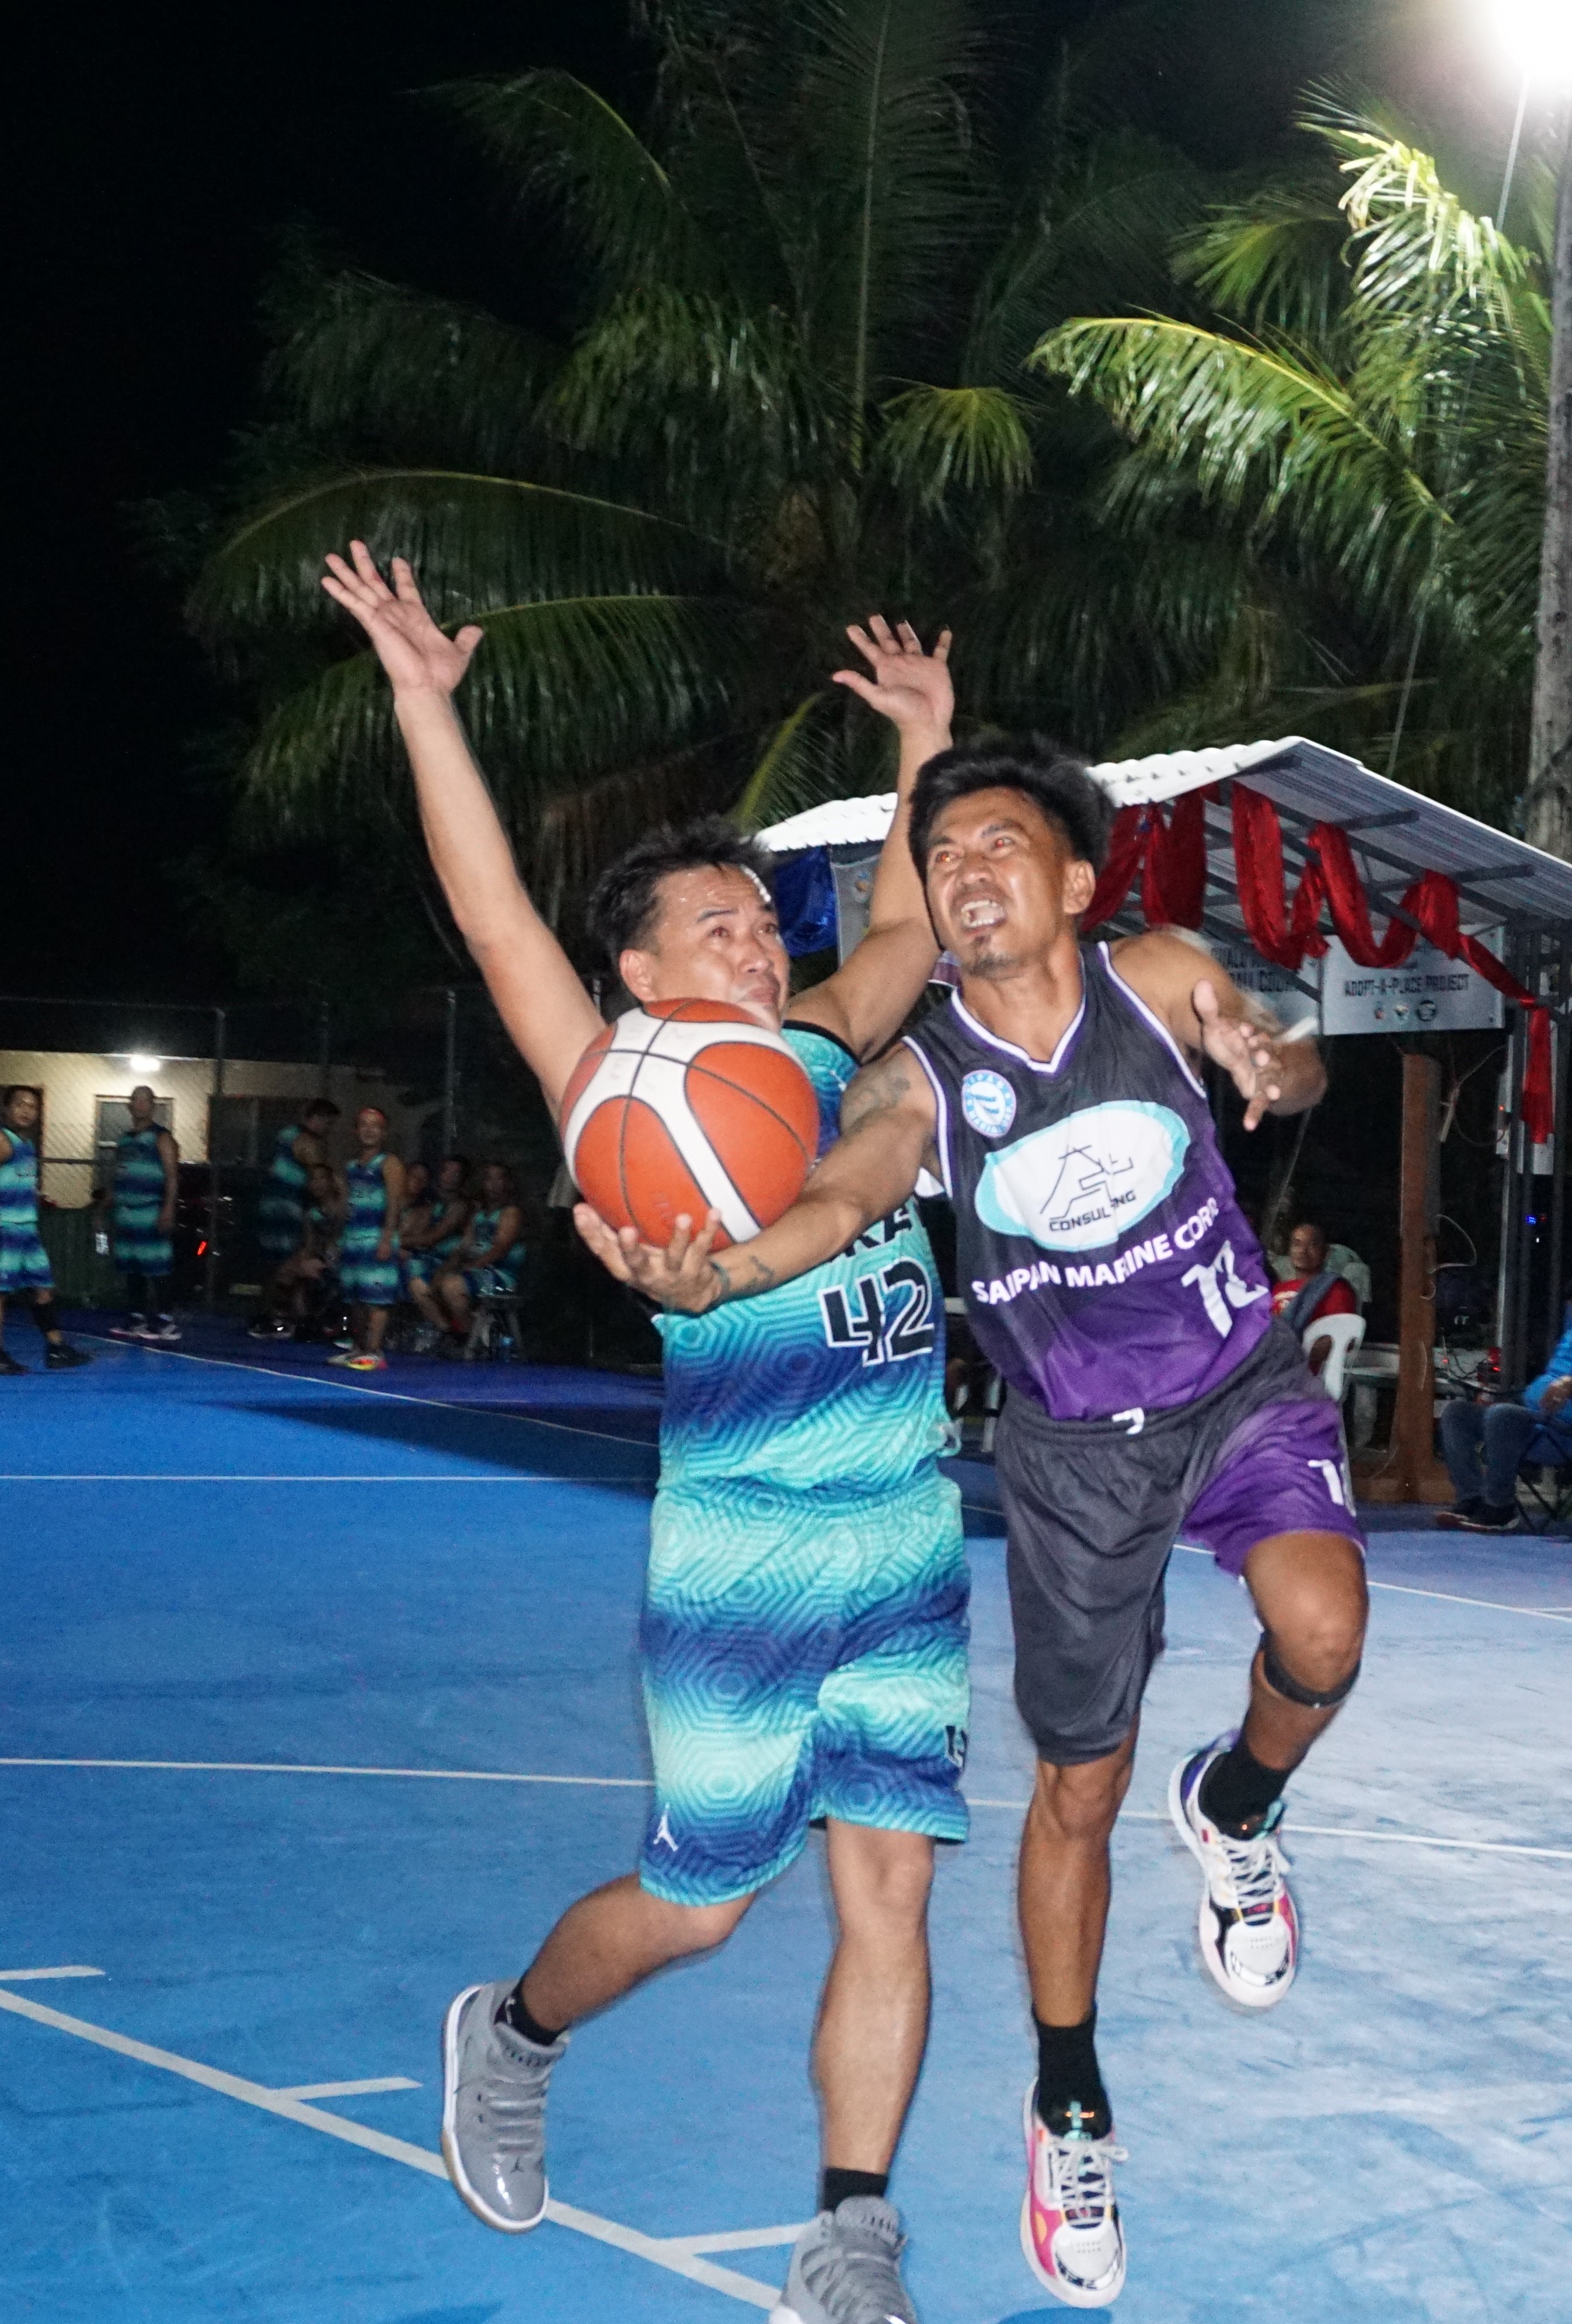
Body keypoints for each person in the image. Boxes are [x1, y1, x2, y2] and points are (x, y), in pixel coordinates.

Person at [593, 738, 1368, 2309]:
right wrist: (724, 1270)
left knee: (1323, 1623)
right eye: (940, 854)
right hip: (1074, 1457)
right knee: (1073, 1793)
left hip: (1233, 1381)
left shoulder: (1151, 974)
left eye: (998, 843)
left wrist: (1281, 1060)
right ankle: (1067, 2095)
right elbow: (840, 1195)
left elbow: (1275, 1040)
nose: (965, 872)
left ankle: (1236, 1804)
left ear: (1076, 882)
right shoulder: (921, 1072)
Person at [323, 539, 965, 2324]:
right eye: (718, 923)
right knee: (702, 1909)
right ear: (637, 966)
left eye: (763, 917)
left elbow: (903, 925)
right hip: (747, 1536)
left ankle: (849, 2237)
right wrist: (423, 706)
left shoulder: (830, 1039)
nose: (760, 939)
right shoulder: (607, 1073)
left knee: (892, 1897)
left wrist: (922, 740)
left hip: (901, 1524)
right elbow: (490, 919)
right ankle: (513, 2031)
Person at [1438, 1265, 1572, 1532]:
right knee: (1457, 1413)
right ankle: (1471, 1499)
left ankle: (1500, 1508)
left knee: (1502, 1415)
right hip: (1535, 1421)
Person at [0, 1087, 92, 1374]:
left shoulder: (26, 1144)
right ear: (6, 1109)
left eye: (33, 1106)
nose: (27, 1110)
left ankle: (56, 1348)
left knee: (43, 1289)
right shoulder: (4, 1141)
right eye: (20, 1105)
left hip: (27, 1228)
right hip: (5, 1227)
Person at [252, 1098, 340, 1336]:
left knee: (280, 1264)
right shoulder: (305, 1141)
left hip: (275, 1204)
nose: (328, 1129)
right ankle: (280, 1317)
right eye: (326, 1122)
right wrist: (339, 1195)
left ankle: (281, 1316)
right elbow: (320, 1174)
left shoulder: (287, 1135)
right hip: (286, 1207)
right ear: (315, 1119)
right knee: (289, 1263)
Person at [332, 1104, 406, 1371]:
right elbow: (346, 1205)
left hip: (376, 1236)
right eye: (364, 1125)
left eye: (375, 1126)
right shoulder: (351, 1167)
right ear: (355, 1130)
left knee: (377, 1296)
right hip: (353, 1237)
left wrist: (387, 1238)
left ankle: (375, 1351)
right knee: (356, 1297)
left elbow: (395, 1203)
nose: (369, 1130)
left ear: (384, 1133)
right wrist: (338, 1238)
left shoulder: (389, 1163)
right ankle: (358, 1347)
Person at [107, 1085, 180, 1343]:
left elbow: (172, 1176)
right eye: (135, 1100)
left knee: (157, 1267)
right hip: (126, 1213)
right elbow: (118, 1175)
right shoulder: (125, 1140)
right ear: (129, 1106)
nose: (139, 1105)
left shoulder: (162, 1138)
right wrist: (105, 1205)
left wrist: (168, 1208)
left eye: (145, 1100)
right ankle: (137, 1318)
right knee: (132, 1267)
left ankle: (165, 1321)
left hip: (151, 1210)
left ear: (152, 1106)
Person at [427, 1161, 525, 1353]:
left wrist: (470, 1268)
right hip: (476, 1269)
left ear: (508, 1183)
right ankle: (470, 1333)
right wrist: (447, 1268)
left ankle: (473, 1339)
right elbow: (464, 1245)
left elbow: (500, 1249)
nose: (494, 1184)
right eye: (490, 1179)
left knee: (452, 1287)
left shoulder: (510, 1213)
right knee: (434, 1283)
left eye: (499, 1179)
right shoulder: (479, 1214)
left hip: (501, 1273)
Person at [1269, 1219, 1361, 1379]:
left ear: (1326, 1252)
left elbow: (1341, 1337)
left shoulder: (1336, 1289)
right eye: (1297, 1244)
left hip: (1304, 1374)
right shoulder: (1278, 1289)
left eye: (1312, 1245)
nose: (1303, 1251)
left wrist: (1297, 1356)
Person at [402, 1154, 471, 1347]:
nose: (449, 1177)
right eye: (446, 1172)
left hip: (449, 1262)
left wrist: (393, 1242)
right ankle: (446, 1331)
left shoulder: (461, 1206)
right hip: (429, 1259)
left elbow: (433, 1238)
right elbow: (416, 1232)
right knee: (416, 1283)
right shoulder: (433, 1204)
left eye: (455, 1174)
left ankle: (465, 1337)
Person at [271, 1163, 345, 1339]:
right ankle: (293, 1321)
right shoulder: (311, 1213)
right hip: (321, 1257)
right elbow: (310, 1244)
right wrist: (297, 1262)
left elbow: (340, 1235)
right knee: (290, 1272)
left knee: (310, 1271)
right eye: (313, 1180)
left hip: (343, 1256)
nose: (317, 1184)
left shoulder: (342, 1206)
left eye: (322, 1179)